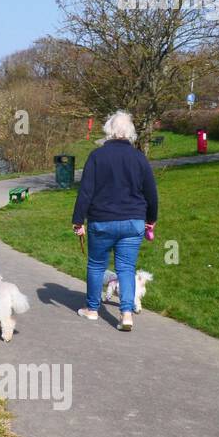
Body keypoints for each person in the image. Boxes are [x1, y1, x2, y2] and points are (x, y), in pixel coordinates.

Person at [70, 110, 158, 331]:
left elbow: (86, 192)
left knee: (96, 265)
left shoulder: (97, 157)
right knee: (126, 268)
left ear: (109, 130)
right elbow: (151, 192)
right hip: (133, 221)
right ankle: (126, 313)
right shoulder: (139, 158)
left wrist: (78, 220)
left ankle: (92, 309)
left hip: (102, 220)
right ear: (130, 133)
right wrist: (151, 219)